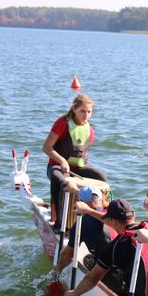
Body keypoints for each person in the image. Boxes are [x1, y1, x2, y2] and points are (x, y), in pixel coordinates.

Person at [42, 94, 108, 229]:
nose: (86, 115)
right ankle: (59, 221)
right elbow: (46, 147)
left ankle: (97, 218)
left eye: (89, 112)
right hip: (57, 167)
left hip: (78, 169)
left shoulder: (90, 130)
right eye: (82, 111)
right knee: (61, 180)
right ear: (74, 109)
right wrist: (62, 161)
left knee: (101, 177)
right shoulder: (62, 124)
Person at [53, 185, 112, 277]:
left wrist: (57, 271)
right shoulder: (115, 212)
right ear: (102, 198)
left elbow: (67, 254)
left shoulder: (83, 222)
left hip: (103, 271)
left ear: (80, 203)